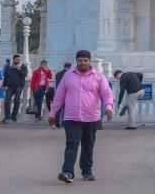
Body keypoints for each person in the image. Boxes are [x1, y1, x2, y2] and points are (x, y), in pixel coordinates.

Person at [48, 49, 114, 183]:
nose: (82, 63)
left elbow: (107, 93)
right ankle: (67, 172)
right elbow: (59, 96)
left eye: (85, 60)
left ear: (90, 61)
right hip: (71, 117)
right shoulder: (68, 76)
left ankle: (87, 171)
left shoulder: (98, 76)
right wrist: (52, 113)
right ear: (76, 61)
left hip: (92, 117)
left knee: (88, 145)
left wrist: (108, 107)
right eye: (80, 60)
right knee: (72, 144)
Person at [1, 54, 27, 124]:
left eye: (19, 59)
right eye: (17, 59)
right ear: (14, 59)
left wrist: (19, 69)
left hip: (19, 86)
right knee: (6, 101)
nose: (18, 61)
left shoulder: (23, 66)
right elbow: (6, 76)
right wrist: (4, 85)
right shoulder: (8, 66)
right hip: (10, 86)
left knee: (16, 101)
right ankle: (7, 117)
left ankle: (13, 116)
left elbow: (24, 75)